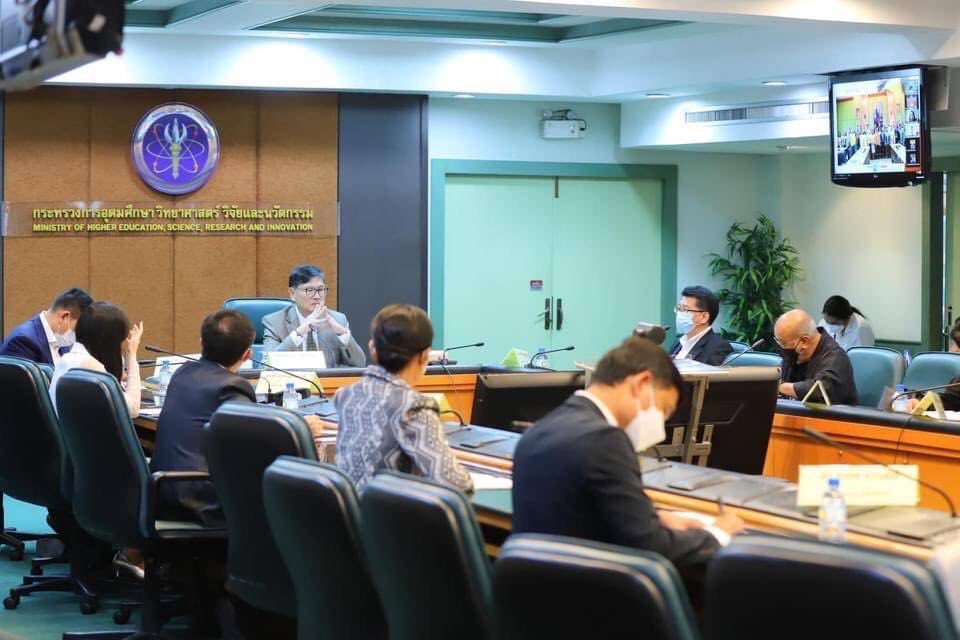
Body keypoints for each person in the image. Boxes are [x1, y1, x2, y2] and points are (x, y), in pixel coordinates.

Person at [511, 336, 743, 568]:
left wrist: (653, 516)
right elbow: (651, 546)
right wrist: (716, 534)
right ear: (642, 383)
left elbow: (576, 506)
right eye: (662, 409)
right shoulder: (606, 441)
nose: (660, 426)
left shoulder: (540, 429)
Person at [150, 310, 328, 527]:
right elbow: (252, 447)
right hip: (202, 501)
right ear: (247, 355)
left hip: (163, 493)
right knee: (294, 496)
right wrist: (300, 429)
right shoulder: (231, 386)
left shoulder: (183, 373)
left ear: (201, 342)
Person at [335, 304, 473, 494]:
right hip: (391, 512)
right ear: (425, 356)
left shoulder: (346, 395)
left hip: (353, 511)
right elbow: (456, 485)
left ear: (372, 349)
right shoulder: (414, 407)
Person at [49, 301, 143, 419]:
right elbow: (133, 409)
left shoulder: (68, 358)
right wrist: (132, 354)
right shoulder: (89, 366)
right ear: (109, 341)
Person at [262, 264, 365, 368]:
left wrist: (342, 334)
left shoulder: (338, 319)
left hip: (328, 378)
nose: (317, 296)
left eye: (320, 290)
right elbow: (268, 365)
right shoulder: (274, 322)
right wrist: (300, 331)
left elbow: (360, 364)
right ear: (292, 293)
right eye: (309, 290)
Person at [775, 309, 858, 405]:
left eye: (783, 344)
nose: (781, 348)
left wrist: (781, 387)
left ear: (804, 342)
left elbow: (821, 390)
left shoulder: (836, 358)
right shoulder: (793, 355)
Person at [0, 287, 92, 366]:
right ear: (64, 317)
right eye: (77, 329)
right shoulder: (22, 342)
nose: (77, 336)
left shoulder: (63, 343)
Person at [668, 285, 733, 366]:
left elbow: (711, 374)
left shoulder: (718, 347)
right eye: (679, 309)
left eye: (685, 309)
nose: (679, 314)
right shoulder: (678, 342)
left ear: (704, 317)